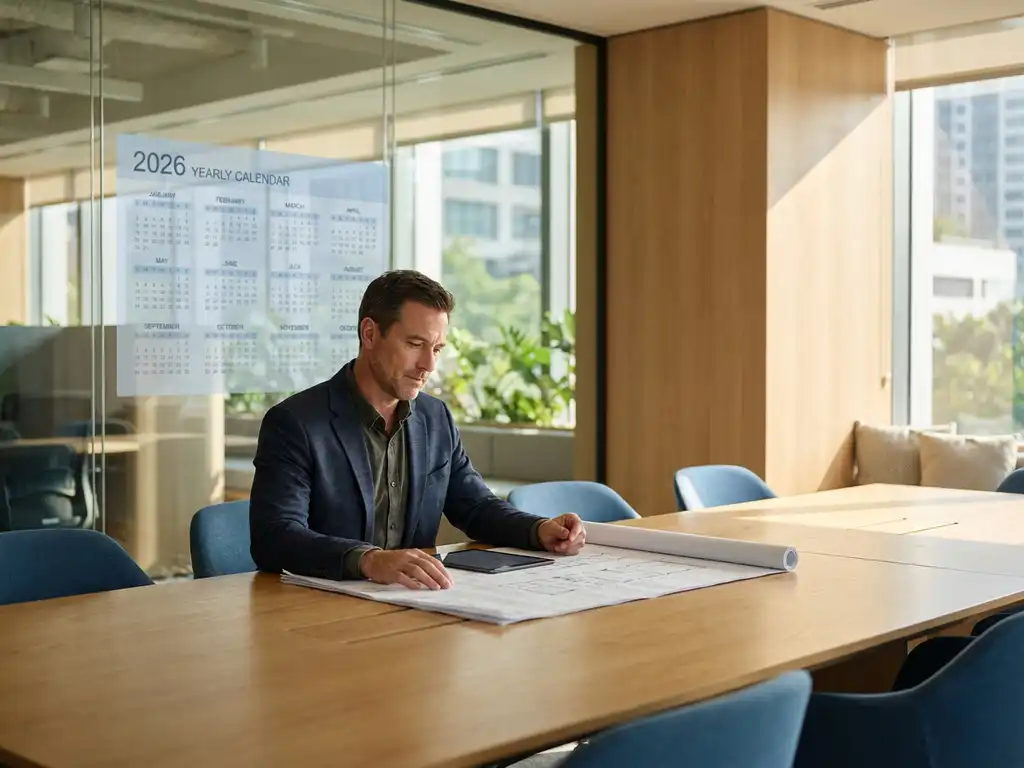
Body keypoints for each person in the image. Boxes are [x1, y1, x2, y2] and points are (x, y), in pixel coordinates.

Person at [249, 269, 586, 588]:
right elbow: (275, 537)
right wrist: (368, 560)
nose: (429, 365)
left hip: (413, 602)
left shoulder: (434, 417)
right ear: (369, 334)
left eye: (437, 349)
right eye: (414, 344)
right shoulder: (296, 423)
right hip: (319, 608)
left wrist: (538, 529)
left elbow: (475, 507)